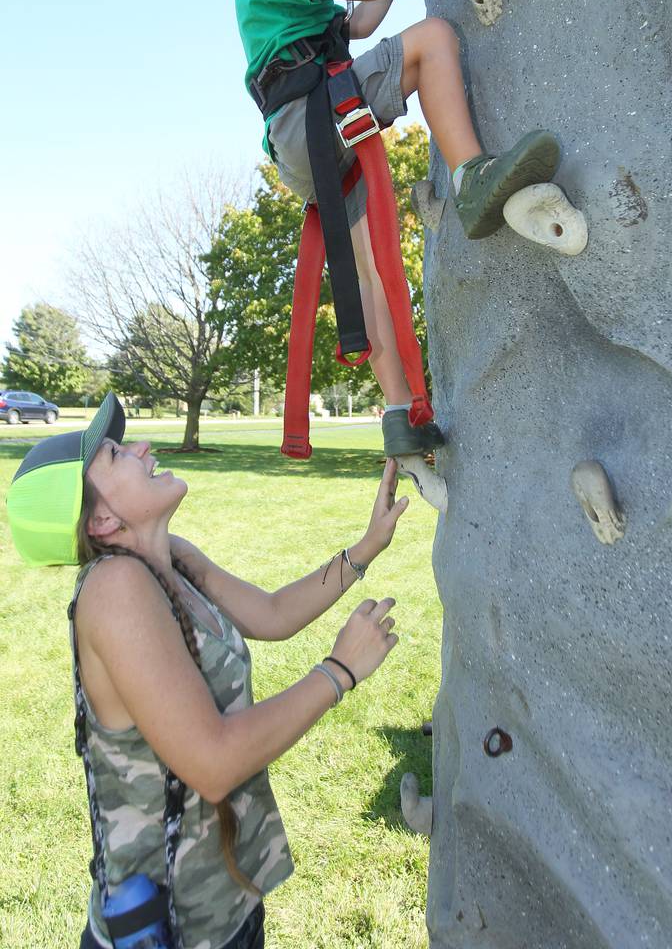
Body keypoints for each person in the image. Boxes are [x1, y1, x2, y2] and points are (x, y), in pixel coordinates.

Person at [6, 393, 407, 949]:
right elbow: (213, 762)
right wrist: (338, 671)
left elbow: (271, 614)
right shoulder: (115, 591)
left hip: (225, 904)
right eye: (118, 455)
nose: (143, 447)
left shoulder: (172, 556)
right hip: (176, 927)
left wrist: (367, 546)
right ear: (99, 518)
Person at [209, 0, 561, 460]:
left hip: (305, 139)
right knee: (432, 41)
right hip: (315, 114)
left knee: (372, 273)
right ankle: (472, 175)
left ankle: (400, 410)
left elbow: (361, 19)